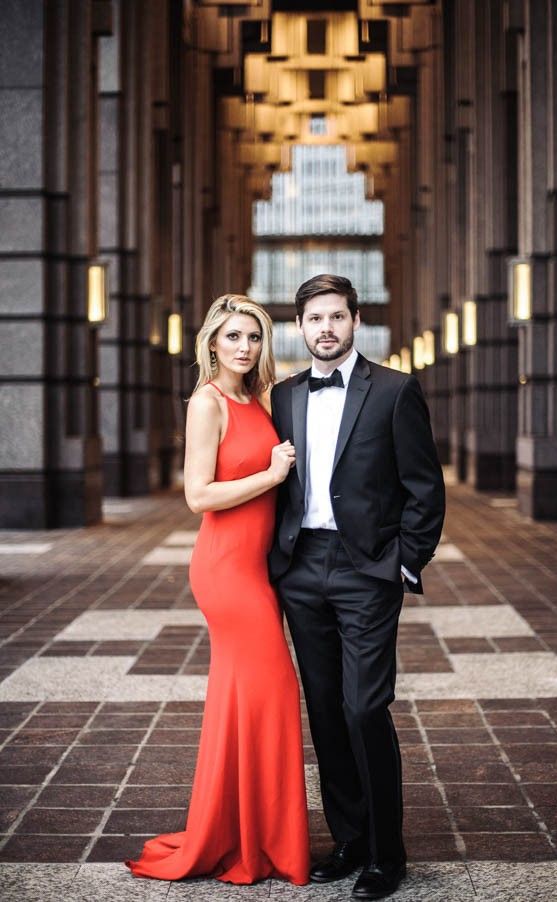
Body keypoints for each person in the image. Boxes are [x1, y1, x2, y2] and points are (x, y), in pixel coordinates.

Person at [269, 274, 445, 901]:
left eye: (336, 317)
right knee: (323, 709)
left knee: (364, 706)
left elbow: (425, 486)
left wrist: (404, 561)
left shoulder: (395, 391)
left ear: (354, 321)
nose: (325, 328)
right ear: (300, 326)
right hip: (302, 568)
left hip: (367, 569)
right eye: (314, 318)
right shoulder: (283, 396)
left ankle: (385, 853)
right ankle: (348, 839)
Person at [125, 294, 310, 885]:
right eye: (233, 337)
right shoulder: (207, 403)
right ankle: (260, 841)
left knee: (243, 700)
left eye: (253, 337)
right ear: (212, 343)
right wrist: (271, 474)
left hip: (259, 568)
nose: (244, 347)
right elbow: (198, 496)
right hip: (226, 570)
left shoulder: (258, 398)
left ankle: (242, 829)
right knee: (275, 690)